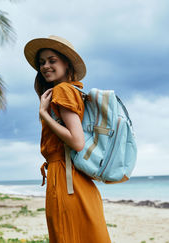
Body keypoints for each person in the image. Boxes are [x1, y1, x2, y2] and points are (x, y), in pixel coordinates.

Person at [24, 35, 111, 242]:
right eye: (42, 62)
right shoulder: (73, 91)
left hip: (66, 180)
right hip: (74, 177)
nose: (45, 66)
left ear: (66, 63)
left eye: (52, 60)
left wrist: (44, 114)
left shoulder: (62, 91)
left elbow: (77, 140)